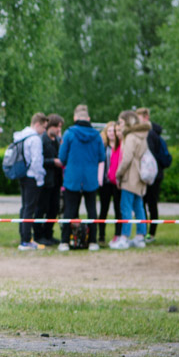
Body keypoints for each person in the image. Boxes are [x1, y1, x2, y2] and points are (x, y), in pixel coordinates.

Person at [57, 105, 104, 251]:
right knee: (92, 210)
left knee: (69, 210)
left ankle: (65, 241)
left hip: (73, 178)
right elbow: (101, 157)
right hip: (90, 178)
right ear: (88, 119)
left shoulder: (69, 134)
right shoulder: (97, 136)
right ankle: (93, 242)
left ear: (75, 118)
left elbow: (62, 157)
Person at [113, 109, 151, 249]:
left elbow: (126, 159)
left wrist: (118, 174)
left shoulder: (130, 137)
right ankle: (140, 237)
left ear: (127, 122)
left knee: (126, 207)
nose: (120, 125)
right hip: (140, 177)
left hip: (130, 177)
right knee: (139, 207)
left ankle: (124, 237)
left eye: (121, 122)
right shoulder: (142, 136)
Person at [136, 108, 171, 243]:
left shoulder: (150, 133)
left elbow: (147, 154)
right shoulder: (154, 133)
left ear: (146, 117)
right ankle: (148, 233)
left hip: (151, 175)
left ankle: (149, 233)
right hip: (153, 174)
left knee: (149, 204)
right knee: (149, 203)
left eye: (139, 118)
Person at [14, 113, 47, 251]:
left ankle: (23, 237)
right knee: (30, 208)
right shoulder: (35, 139)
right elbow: (36, 161)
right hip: (32, 177)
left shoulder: (21, 135)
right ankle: (26, 241)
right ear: (37, 124)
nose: (44, 130)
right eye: (43, 127)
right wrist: (41, 177)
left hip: (22, 175)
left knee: (24, 207)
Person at [37, 114, 64, 247]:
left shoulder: (58, 140)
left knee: (54, 208)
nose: (59, 129)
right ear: (50, 126)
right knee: (42, 208)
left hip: (56, 182)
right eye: (57, 127)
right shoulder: (42, 140)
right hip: (45, 181)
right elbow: (39, 160)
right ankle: (38, 235)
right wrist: (53, 162)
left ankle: (49, 234)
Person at [97, 121, 124, 248]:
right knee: (104, 209)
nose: (111, 133)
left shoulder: (121, 146)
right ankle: (101, 235)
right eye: (109, 131)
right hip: (105, 183)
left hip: (117, 183)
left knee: (118, 209)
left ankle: (118, 234)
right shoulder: (103, 146)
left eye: (113, 131)